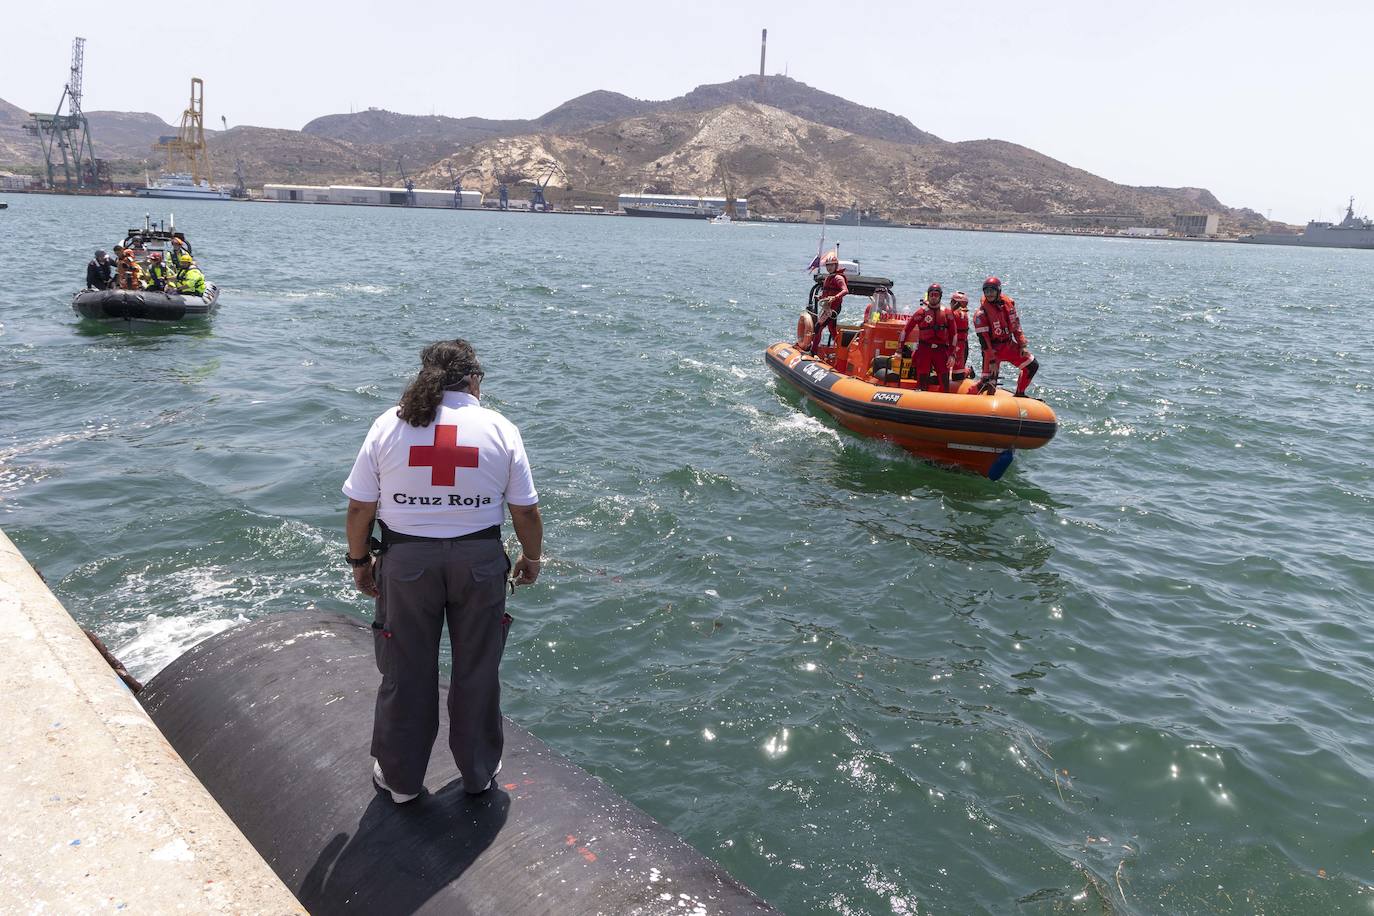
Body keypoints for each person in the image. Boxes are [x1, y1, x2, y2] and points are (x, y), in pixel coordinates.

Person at [342, 339, 543, 804]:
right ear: (474, 379)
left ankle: (401, 782)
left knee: (406, 672)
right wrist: (530, 559)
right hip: (479, 565)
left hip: (407, 565)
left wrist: (359, 562)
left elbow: (359, 508)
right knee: (477, 670)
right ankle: (477, 773)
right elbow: (526, 513)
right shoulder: (499, 428)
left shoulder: (389, 423)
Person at [973, 277, 1039, 397]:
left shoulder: (1008, 305)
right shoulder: (981, 314)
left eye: (992, 290)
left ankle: (1020, 393)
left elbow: (1016, 326)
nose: (989, 294)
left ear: (998, 291)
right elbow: (984, 341)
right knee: (988, 383)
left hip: (1008, 345)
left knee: (1032, 365)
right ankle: (967, 401)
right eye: (986, 291)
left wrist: (1022, 345)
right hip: (992, 350)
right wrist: (992, 360)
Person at [899, 283, 953, 392]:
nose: (933, 297)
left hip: (941, 350)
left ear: (940, 296)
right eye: (931, 295)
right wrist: (899, 350)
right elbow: (906, 331)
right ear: (928, 296)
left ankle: (944, 403)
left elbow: (954, 334)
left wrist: (952, 355)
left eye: (936, 295)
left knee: (944, 380)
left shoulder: (947, 313)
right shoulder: (921, 313)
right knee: (922, 381)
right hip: (925, 349)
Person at [809, 251, 848, 355]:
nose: (829, 267)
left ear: (836, 265)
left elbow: (845, 290)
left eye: (831, 265)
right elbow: (827, 292)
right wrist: (821, 297)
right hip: (827, 307)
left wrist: (835, 297)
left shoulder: (838, 278)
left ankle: (813, 353)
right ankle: (842, 350)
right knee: (832, 329)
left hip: (833, 308)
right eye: (827, 265)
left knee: (818, 327)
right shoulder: (829, 278)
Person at [947, 291, 972, 383]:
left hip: (958, 346)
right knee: (957, 376)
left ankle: (968, 370)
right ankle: (966, 371)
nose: (950, 303)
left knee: (957, 376)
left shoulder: (954, 314)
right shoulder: (964, 314)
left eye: (952, 301)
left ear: (956, 303)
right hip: (962, 346)